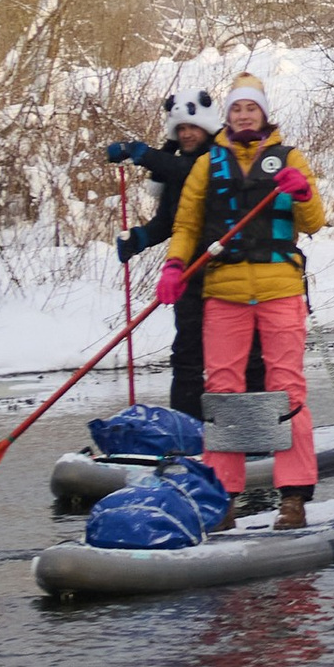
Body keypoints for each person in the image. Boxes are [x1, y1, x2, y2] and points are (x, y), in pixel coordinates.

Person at [159, 73, 326, 525]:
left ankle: (292, 496)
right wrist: (174, 266)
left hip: (281, 289)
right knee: (224, 391)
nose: (244, 115)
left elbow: (314, 221)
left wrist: (303, 192)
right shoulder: (207, 164)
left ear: (264, 114)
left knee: (286, 388)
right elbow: (187, 227)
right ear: (227, 117)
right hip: (224, 292)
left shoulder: (290, 158)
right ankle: (224, 496)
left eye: (251, 108)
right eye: (236, 109)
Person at [106, 63, 221, 414]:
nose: (187, 134)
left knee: (225, 356)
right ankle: (188, 428)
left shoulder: (221, 160)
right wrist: (139, 239)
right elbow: (169, 221)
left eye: (193, 127)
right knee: (186, 354)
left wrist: (142, 154)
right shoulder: (174, 166)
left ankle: (238, 434)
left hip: (223, 272)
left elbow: (188, 171)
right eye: (181, 129)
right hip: (187, 273)